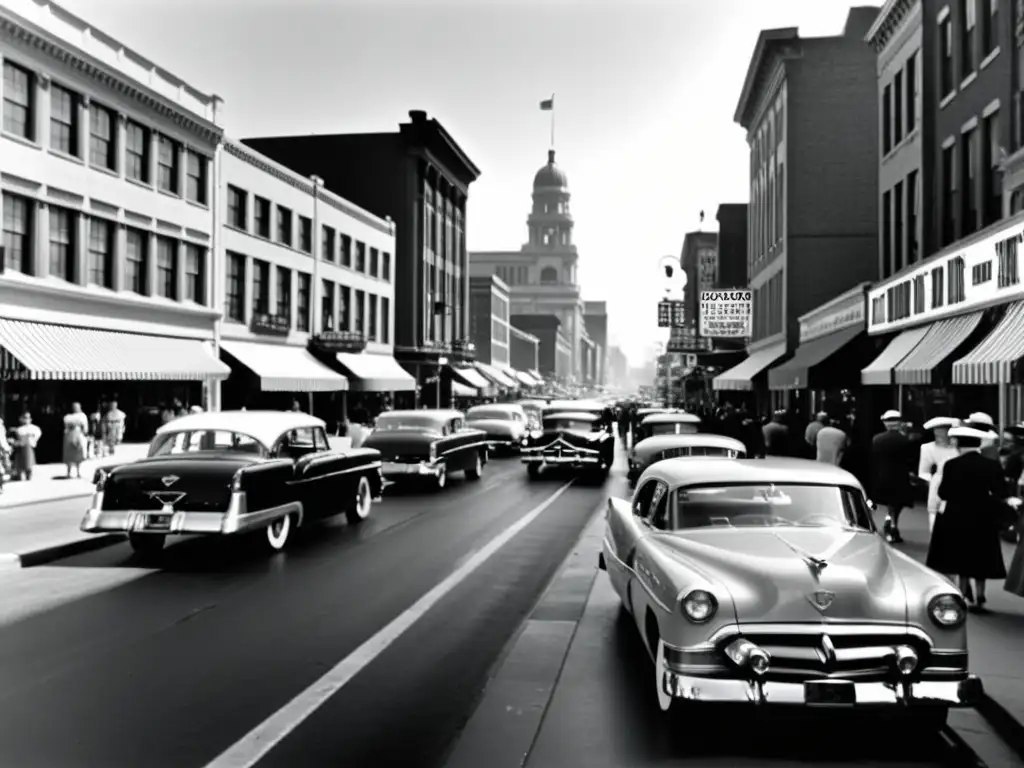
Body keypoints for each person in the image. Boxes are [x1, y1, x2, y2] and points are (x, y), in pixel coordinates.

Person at [927, 425, 1008, 610]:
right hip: (983, 515)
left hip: (958, 515)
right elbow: (1001, 491)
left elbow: (944, 492)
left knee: (962, 555)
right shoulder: (991, 465)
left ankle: (963, 593)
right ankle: (980, 595)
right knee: (981, 555)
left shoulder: (951, 465)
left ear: (958, 444)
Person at [871, 409, 915, 543]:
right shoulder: (905, 440)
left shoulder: (877, 439)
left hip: (882, 474)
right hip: (900, 475)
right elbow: (910, 459)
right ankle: (892, 524)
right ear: (899, 423)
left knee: (887, 503)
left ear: (885, 423)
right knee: (896, 504)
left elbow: (874, 458)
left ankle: (889, 523)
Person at [917, 416, 959, 533]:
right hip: (937, 485)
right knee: (935, 519)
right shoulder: (927, 448)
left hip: (958, 485)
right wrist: (932, 482)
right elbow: (923, 472)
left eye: (943, 430)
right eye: (937, 430)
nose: (939, 433)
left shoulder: (958, 448)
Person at [62, 402, 90, 479]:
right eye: (74, 407)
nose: (75, 408)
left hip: (79, 436)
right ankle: (68, 472)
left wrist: (84, 434)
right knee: (69, 455)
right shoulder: (67, 417)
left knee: (78, 454)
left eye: (77, 407)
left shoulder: (82, 416)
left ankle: (78, 472)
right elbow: (66, 427)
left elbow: (85, 428)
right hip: (69, 436)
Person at [12, 412, 42, 481]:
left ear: (30, 419)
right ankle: (20, 474)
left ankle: (29, 473)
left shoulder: (34, 428)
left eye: (28, 418)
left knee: (29, 460)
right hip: (22, 446)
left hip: (29, 446)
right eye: (25, 418)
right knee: (20, 461)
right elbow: (19, 437)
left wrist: (33, 439)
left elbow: (38, 434)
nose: (26, 420)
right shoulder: (20, 429)